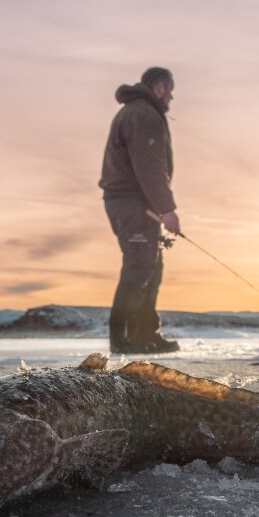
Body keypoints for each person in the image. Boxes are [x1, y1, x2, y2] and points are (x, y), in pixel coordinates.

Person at [99, 66, 182, 353]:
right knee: (139, 265)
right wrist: (167, 209)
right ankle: (123, 339)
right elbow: (149, 167)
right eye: (169, 89)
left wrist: (158, 208)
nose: (171, 96)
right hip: (131, 202)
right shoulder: (143, 115)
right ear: (159, 87)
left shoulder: (142, 112)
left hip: (139, 203)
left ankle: (146, 334)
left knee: (152, 266)